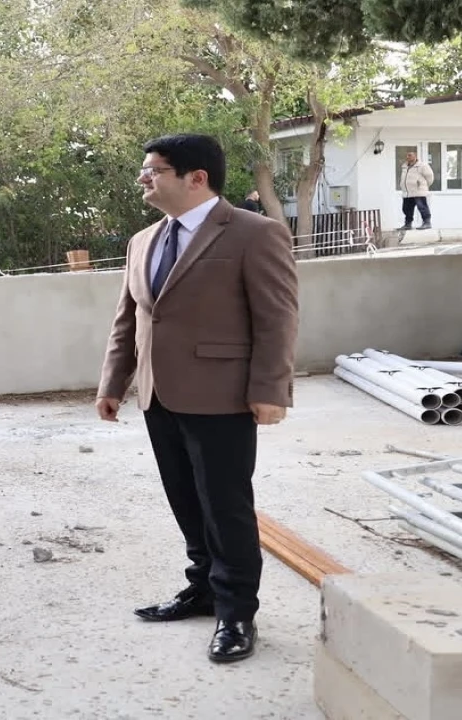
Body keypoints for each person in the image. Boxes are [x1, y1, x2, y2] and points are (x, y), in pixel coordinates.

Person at [95, 133, 298, 664]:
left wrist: (270, 390)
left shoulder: (255, 233)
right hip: (158, 395)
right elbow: (129, 320)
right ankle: (204, 588)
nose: (144, 178)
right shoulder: (143, 241)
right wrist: (114, 383)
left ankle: (237, 613)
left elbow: (277, 319)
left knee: (226, 506)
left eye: (154, 170)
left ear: (196, 178)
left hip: (222, 397)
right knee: (185, 500)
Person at [398, 150, 434, 230]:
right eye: (407, 155)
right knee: (406, 209)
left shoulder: (422, 166)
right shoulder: (404, 166)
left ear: (415, 156)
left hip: (418, 191)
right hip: (407, 192)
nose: (407, 157)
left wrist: (423, 185)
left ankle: (427, 223)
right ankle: (408, 224)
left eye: (410, 155)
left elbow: (430, 177)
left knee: (422, 207)